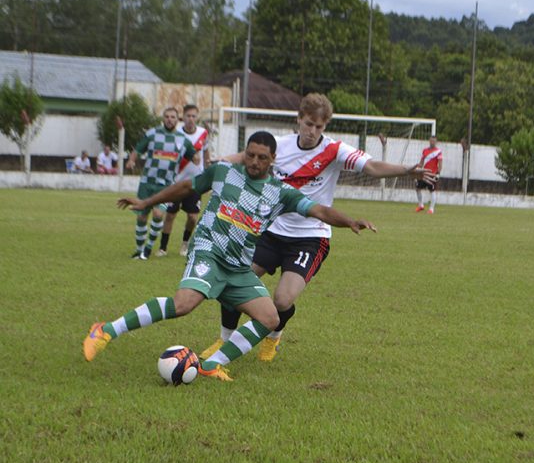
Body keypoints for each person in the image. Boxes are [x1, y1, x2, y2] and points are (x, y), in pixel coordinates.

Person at [82, 131, 376, 382]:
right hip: (208, 251)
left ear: (273, 160)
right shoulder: (223, 172)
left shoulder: (280, 193)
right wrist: (147, 201)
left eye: (262, 158)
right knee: (184, 304)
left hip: (237, 268)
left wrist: (348, 221)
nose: (254, 162)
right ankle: (106, 331)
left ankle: (211, 364)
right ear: (245, 153)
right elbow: (187, 187)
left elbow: (320, 211)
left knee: (270, 318)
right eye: (250, 155)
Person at [201, 92, 435, 363]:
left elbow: (371, 166)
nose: (312, 131)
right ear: (299, 119)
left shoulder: (335, 151)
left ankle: (273, 337)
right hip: (270, 230)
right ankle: (223, 339)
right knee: (233, 282)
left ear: (325, 127)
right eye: (309, 124)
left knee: (282, 300)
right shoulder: (280, 145)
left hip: (310, 237)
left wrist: (405, 170)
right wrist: (219, 163)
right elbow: (244, 157)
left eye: (319, 127)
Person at [125, 107, 196, 260]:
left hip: (166, 185)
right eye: (167, 116)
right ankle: (139, 250)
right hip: (147, 183)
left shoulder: (183, 139)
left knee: (158, 214)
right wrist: (131, 160)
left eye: (173, 117)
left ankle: (148, 249)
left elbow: (194, 156)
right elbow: (137, 150)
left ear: (178, 120)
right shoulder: (152, 134)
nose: (170, 119)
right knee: (142, 217)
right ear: (163, 118)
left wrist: (201, 159)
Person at [157, 104, 210, 258]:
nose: (191, 119)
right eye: (188, 116)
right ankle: (163, 247)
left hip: (195, 182)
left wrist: (208, 175)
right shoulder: (176, 134)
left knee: (193, 217)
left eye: (194, 116)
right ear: (183, 118)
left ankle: (185, 243)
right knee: (170, 215)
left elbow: (206, 154)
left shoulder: (203, 133)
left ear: (197, 118)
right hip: (176, 181)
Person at [415, 135, 442, 214]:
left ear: (436, 142)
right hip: (424, 173)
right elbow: (421, 162)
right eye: (431, 141)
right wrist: (417, 169)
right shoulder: (425, 150)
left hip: (432, 174)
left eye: (434, 141)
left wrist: (438, 173)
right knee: (417, 188)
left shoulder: (438, 151)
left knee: (432, 190)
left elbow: (440, 164)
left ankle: (431, 209)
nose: (432, 142)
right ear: (429, 141)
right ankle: (421, 205)